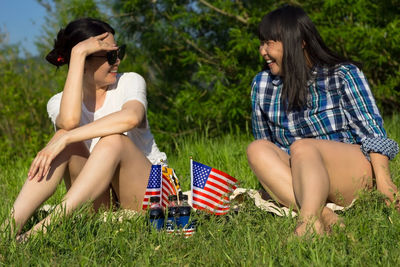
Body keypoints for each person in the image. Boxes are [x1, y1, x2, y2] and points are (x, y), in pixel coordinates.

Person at [6, 18, 168, 240]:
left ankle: (41, 231)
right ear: (83, 62)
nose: (118, 60)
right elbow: (69, 122)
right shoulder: (58, 102)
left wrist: (65, 138)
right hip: (99, 201)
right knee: (63, 136)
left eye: (120, 52)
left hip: (149, 192)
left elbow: (131, 118)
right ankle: (8, 229)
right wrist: (78, 53)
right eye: (110, 55)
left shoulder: (130, 82)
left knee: (111, 141)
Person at [246, 5, 399, 236]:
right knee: (256, 149)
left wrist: (386, 184)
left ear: (300, 41)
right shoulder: (262, 84)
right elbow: (267, 148)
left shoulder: (343, 74)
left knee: (302, 146)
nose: (263, 51)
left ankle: (307, 224)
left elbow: (373, 134)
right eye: (262, 43)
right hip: (299, 177)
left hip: (348, 172)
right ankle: (324, 215)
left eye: (270, 43)